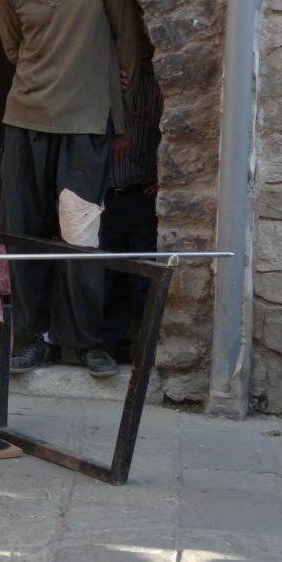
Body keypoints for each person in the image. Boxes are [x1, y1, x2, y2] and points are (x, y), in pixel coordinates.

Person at [0, 0, 141, 378]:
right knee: (25, 233)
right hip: (25, 121)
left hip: (86, 125)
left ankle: (87, 342)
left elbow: (127, 40)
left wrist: (125, 114)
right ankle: (32, 339)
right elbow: (13, 48)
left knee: (81, 237)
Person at [100, 29, 163, 363]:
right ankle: (111, 347)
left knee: (142, 276)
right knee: (107, 274)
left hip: (141, 195)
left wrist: (164, 179)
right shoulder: (99, 85)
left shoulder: (154, 87)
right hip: (106, 197)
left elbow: (172, 132)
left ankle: (149, 350)